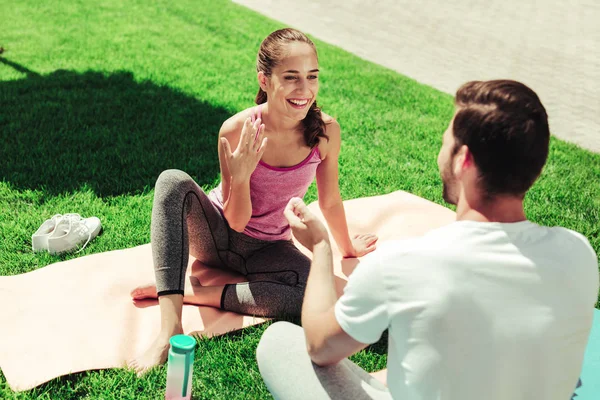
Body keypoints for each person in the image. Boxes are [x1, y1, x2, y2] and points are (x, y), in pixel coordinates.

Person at [256, 80, 599, 399]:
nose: (441, 152)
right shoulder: (578, 252)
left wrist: (320, 247)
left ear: (463, 160)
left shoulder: (404, 263)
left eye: (445, 141)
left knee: (279, 343)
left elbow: (320, 345)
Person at [126, 28, 378, 374]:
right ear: (265, 79)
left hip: (269, 247)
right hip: (216, 235)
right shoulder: (236, 130)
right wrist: (241, 176)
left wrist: (347, 250)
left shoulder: (325, 133)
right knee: (172, 181)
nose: (304, 90)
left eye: (312, 77)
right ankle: (170, 330)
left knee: (314, 293)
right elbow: (236, 221)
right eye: (291, 78)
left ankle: (188, 291)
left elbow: (330, 200)